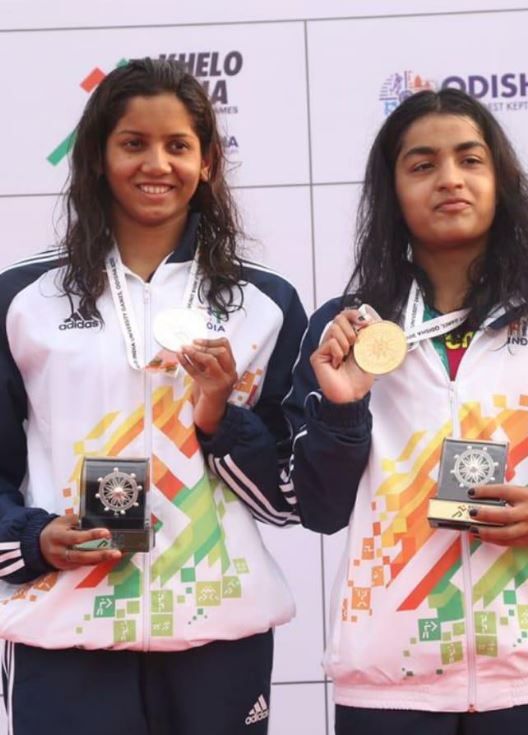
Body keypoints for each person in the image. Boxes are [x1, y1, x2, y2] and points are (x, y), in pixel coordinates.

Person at [256, 87, 528, 734]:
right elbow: (315, 506)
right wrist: (343, 411)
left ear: (500, 178)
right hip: (386, 679)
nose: (449, 178)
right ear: (392, 191)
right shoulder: (347, 330)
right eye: (422, 164)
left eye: (470, 159)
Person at [0, 58, 307, 734]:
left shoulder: (267, 303)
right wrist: (30, 537)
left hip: (218, 629)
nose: (156, 163)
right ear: (98, 157)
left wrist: (222, 416)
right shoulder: (21, 300)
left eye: (178, 145)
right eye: (133, 143)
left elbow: (293, 494)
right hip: (64, 631)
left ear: (207, 164)